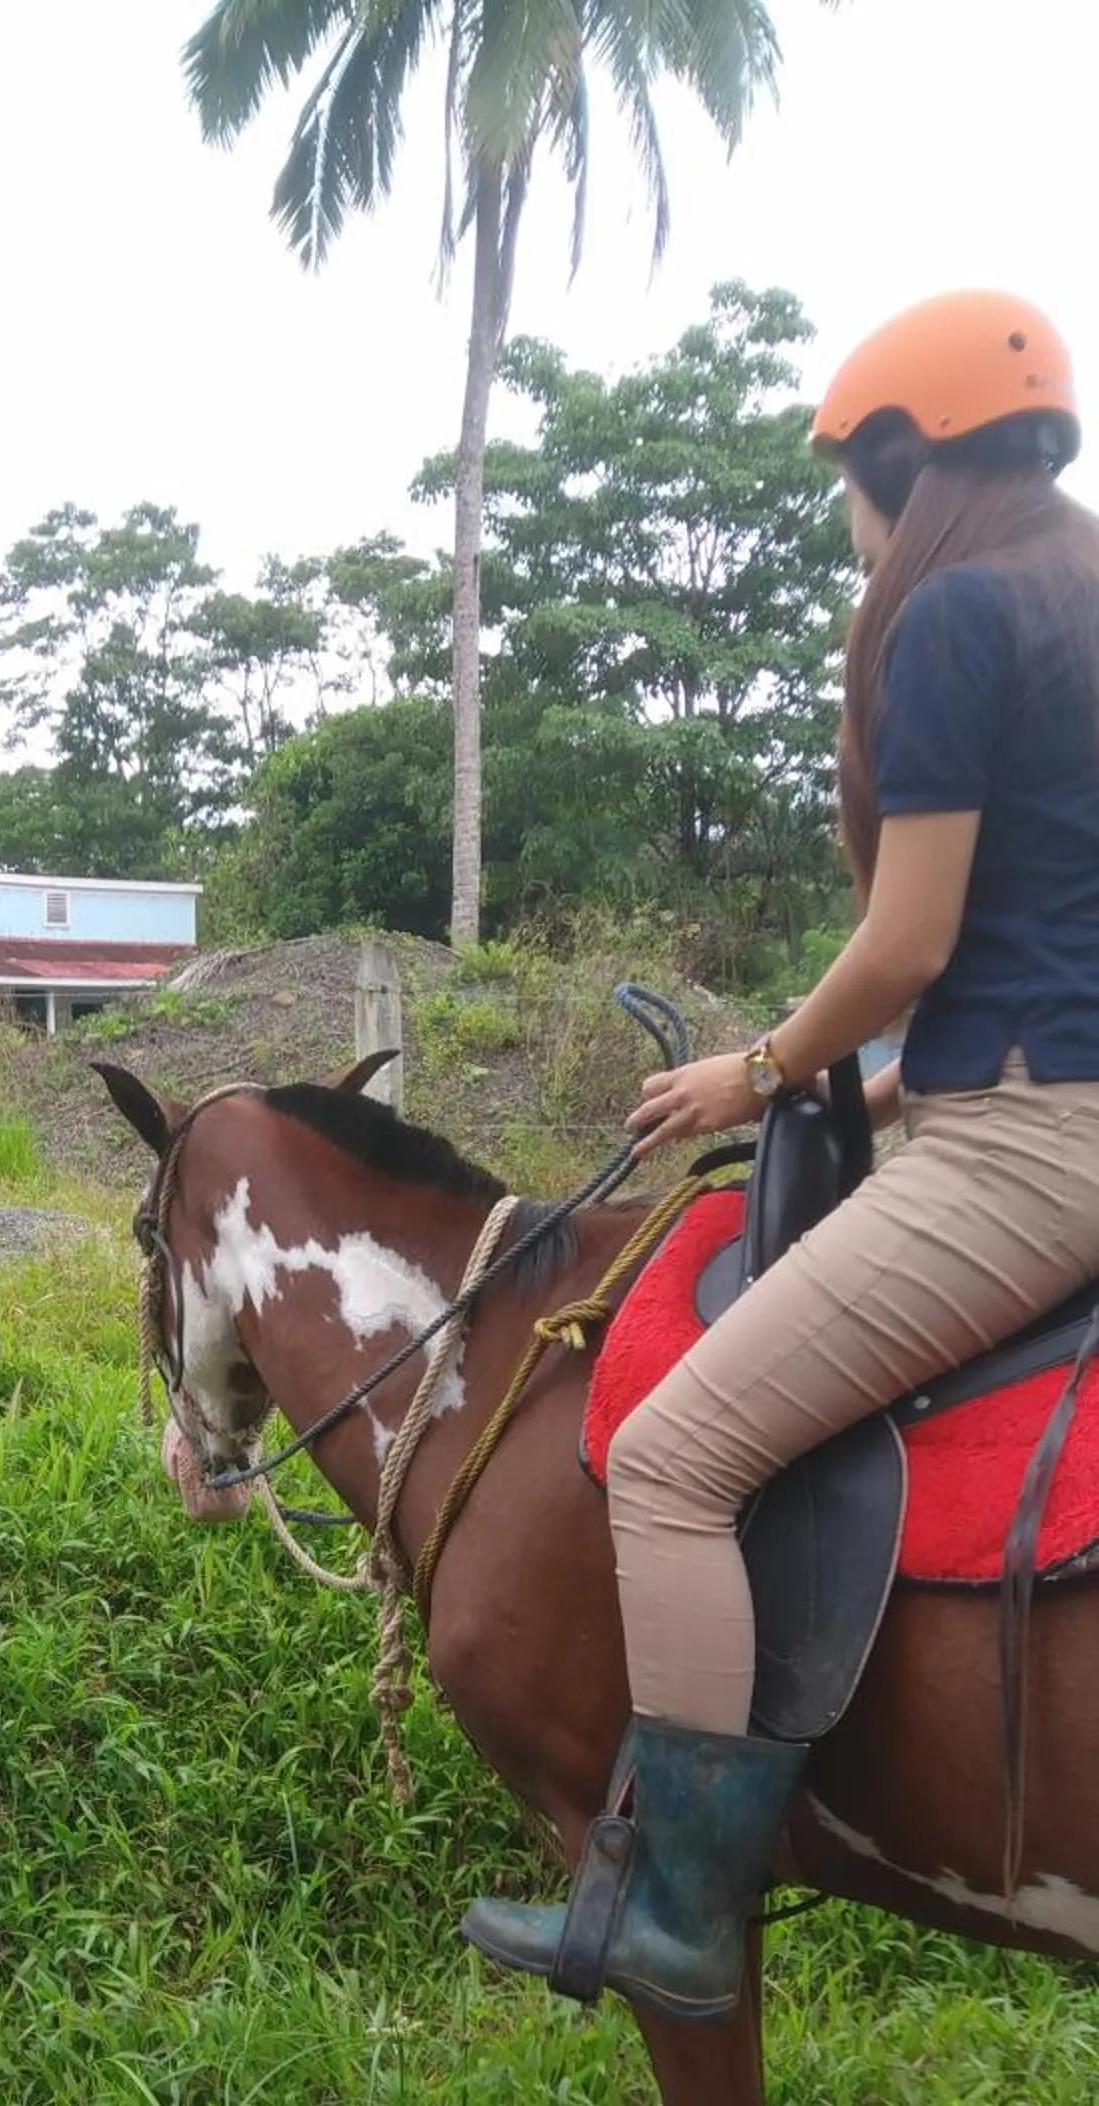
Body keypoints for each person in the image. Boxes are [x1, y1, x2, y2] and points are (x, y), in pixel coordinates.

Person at [463, 289, 1099, 2018]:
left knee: (674, 1456)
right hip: (1036, 1104)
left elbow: (907, 944)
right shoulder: (1083, 594)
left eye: (850, 478)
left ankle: (677, 1897)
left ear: (906, 456)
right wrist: (871, 1096)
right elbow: (1032, 962)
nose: (848, 518)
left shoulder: (962, 616)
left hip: (1031, 1154)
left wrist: (758, 1071)